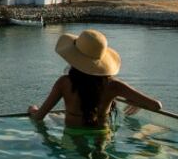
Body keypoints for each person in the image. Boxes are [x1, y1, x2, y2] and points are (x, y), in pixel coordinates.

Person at [28, 29, 162, 130]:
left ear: (74, 57)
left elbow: (39, 116)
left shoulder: (64, 83)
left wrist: (33, 110)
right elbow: (156, 106)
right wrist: (137, 102)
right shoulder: (114, 86)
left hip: (73, 135)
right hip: (102, 135)